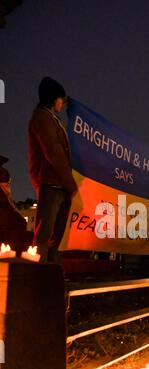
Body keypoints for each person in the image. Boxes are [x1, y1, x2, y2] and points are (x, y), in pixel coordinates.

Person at [28, 76, 78, 263]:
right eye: (60, 99)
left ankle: (52, 280)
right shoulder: (41, 117)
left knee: (57, 239)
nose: (61, 103)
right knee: (44, 236)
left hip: (60, 186)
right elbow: (54, 153)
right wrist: (72, 184)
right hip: (51, 185)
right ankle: (39, 279)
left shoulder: (52, 119)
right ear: (52, 98)